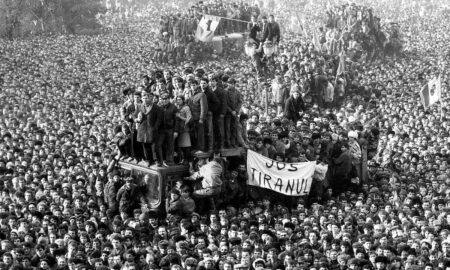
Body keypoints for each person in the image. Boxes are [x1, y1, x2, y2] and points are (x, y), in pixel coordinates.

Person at [135, 91, 163, 167]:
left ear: (150, 98)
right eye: (143, 98)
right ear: (141, 99)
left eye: (146, 98)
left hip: (152, 130)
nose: (145, 100)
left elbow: (159, 119)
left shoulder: (156, 107)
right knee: (145, 147)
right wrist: (137, 119)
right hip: (142, 130)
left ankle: (157, 161)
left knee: (154, 147)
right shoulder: (139, 106)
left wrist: (155, 127)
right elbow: (134, 116)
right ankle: (149, 160)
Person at [157, 92, 178, 166]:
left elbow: (177, 120)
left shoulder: (174, 107)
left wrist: (176, 131)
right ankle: (160, 161)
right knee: (159, 144)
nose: (164, 100)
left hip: (170, 129)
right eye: (163, 99)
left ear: (169, 99)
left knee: (170, 146)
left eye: (166, 99)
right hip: (162, 130)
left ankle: (170, 161)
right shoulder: (160, 107)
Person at [188, 80, 208, 153]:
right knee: (194, 134)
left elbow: (204, 108)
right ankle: (195, 148)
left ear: (197, 85)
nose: (193, 87)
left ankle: (201, 149)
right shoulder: (190, 95)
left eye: (194, 85)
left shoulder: (202, 95)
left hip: (199, 118)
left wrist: (201, 118)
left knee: (200, 134)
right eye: (191, 85)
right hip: (192, 118)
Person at [175, 95, 192, 164]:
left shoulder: (186, 108)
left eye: (180, 99)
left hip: (185, 128)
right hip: (178, 129)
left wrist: (180, 117)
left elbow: (189, 118)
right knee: (180, 146)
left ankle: (186, 160)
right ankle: (182, 159)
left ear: (183, 100)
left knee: (186, 145)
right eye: (177, 100)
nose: (178, 101)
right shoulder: (177, 107)